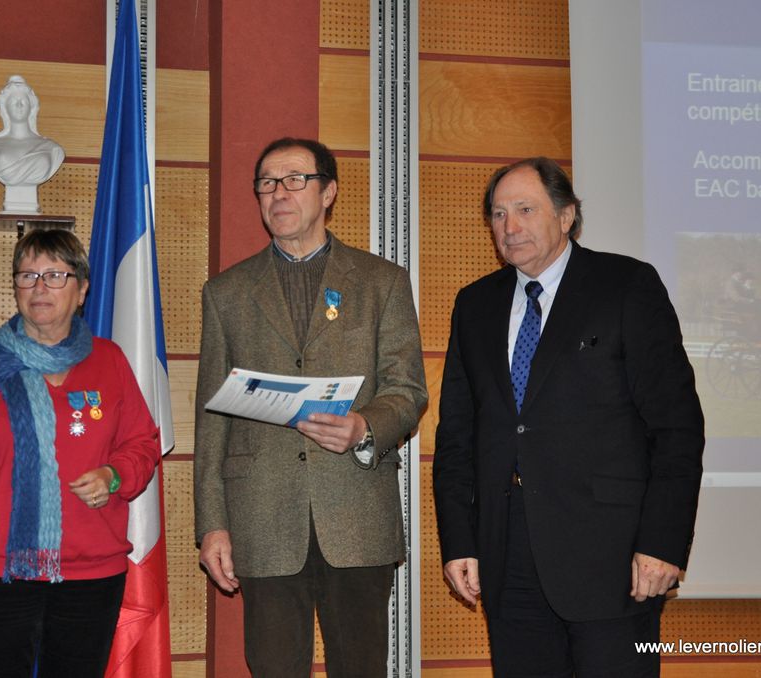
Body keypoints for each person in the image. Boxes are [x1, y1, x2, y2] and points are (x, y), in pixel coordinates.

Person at [433, 158, 704, 677]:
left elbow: (676, 429)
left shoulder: (626, 285)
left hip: (615, 557)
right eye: (498, 214)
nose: (509, 227)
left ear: (567, 216)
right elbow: (457, 437)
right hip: (508, 556)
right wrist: (460, 541)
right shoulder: (475, 305)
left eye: (525, 209)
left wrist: (663, 542)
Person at [194, 137, 428, 677]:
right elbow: (213, 421)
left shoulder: (381, 282)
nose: (279, 193)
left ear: (329, 193)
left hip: (357, 515)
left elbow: (408, 389)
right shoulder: (226, 293)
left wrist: (364, 426)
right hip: (262, 519)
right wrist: (213, 526)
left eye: (295, 179)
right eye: (267, 183)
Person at [0, 228, 161, 678]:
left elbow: (142, 443)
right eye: (27, 275)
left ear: (82, 289)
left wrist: (114, 475)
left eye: (54, 275)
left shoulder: (110, 361)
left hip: (91, 573)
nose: (39, 287)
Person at [0, 75, 65, 213]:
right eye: (14, 102)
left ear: (32, 107)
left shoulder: (52, 148)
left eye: (23, 101)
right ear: (4, 108)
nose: (19, 105)